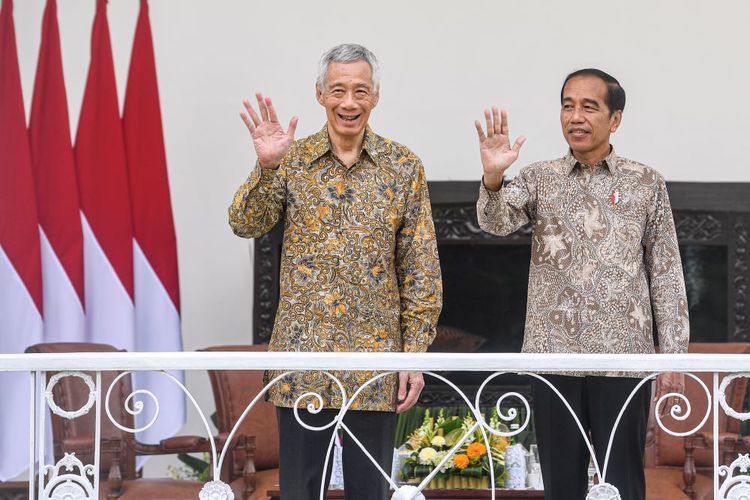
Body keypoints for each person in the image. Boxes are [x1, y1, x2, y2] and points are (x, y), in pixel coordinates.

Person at [229, 43, 442, 500]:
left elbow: (420, 267)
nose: (349, 102)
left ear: (376, 96)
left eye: (360, 91)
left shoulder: (403, 167)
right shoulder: (292, 160)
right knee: (302, 491)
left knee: (372, 492)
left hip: (375, 364)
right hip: (304, 362)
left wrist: (414, 355)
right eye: (339, 90)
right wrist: (266, 168)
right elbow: (245, 223)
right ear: (320, 94)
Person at [474, 68, 689, 499]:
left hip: (623, 360)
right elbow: (494, 222)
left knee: (623, 481)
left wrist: (674, 357)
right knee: (562, 484)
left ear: (616, 119)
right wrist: (494, 178)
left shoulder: (646, 183)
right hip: (555, 360)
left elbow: (665, 272)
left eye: (589, 106)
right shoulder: (539, 178)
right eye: (568, 105)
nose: (576, 116)